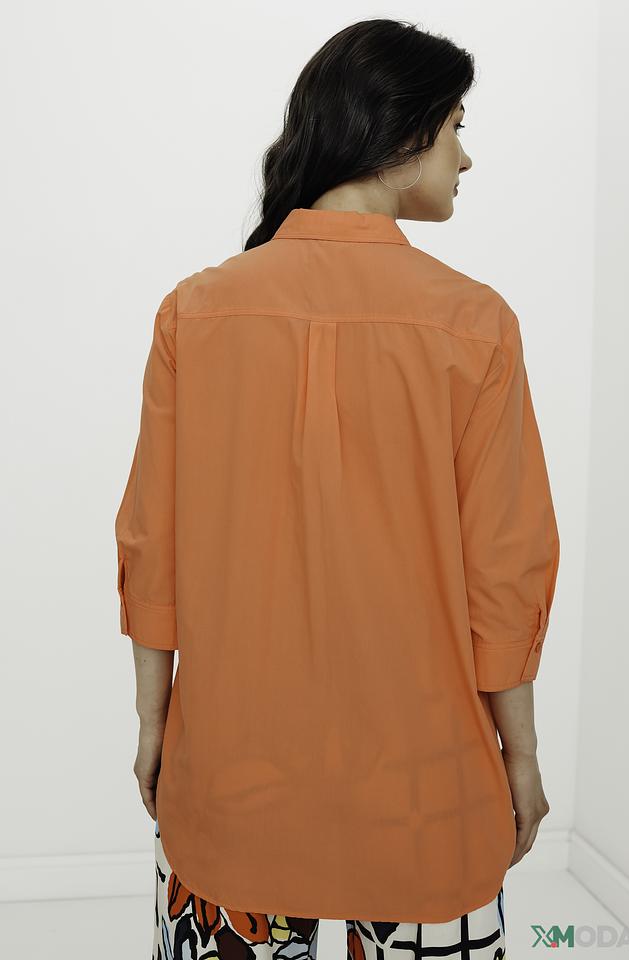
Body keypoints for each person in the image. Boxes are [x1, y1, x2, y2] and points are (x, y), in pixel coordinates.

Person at [115, 17, 560, 960]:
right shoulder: (475, 325)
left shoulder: (195, 312)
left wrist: (154, 724)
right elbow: (505, 570)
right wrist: (520, 753)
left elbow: (152, 544)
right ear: (406, 130)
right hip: (426, 805)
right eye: (457, 129)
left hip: (228, 795)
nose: (466, 159)